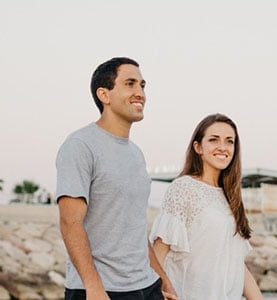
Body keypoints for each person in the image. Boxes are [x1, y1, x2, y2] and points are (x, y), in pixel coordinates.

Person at [56, 57, 173, 300]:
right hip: (101, 290)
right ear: (104, 95)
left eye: (142, 85)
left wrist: (164, 283)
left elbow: (136, 230)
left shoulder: (136, 154)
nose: (140, 93)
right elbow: (70, 222)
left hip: (147, 286)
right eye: (130, 84)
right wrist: (94, 288)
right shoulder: (80, 145)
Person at [150, 114, 262, 300]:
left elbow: (236, 263)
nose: (223, 147)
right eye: (214, 140)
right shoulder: (183, 187)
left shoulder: (231, 196)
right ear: (198, 147)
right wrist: (155, 295)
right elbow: (159, 253)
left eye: (229, 141)